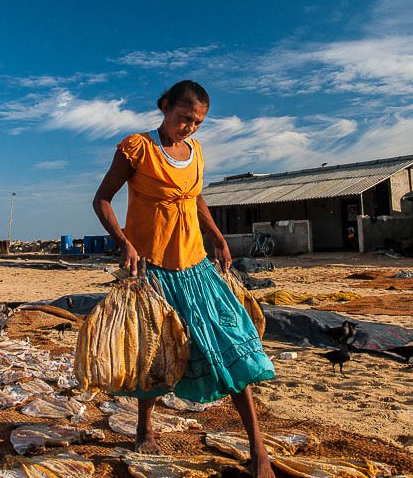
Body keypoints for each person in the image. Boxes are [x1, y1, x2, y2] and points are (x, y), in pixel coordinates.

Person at [92, 80, 276, 478]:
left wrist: (218, 237)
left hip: (195, 266)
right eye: (184, 118)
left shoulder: (194, 151)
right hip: (152, 268)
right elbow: (101, 199)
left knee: (233, 347)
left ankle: (258, 451)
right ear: (164, 107)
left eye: (198, 122)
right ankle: (145, 427)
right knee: (155, 353)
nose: (190, 128)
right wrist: (123, 243)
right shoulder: (136, 148)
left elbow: (194, 198)